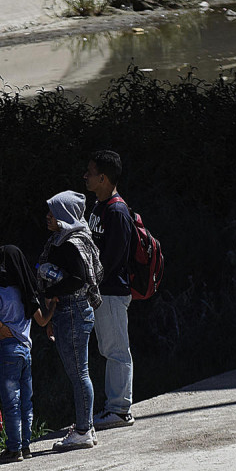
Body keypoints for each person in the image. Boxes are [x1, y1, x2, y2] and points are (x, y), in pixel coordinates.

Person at [37, 191, 104, 451]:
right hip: (73, 310)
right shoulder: (67, 239)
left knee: (79, 373)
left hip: (74, 311)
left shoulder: (72, 243)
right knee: (79, 372)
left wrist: (52, 291)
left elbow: (78, 279)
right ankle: (85, 424)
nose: (47, 217)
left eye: (52, 213)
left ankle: (83, 430)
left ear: (64, 215)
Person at [85, 150, 137, 429]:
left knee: (117, 350)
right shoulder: (98, 207)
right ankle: (113, 407)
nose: (86, 176)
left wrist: (92, 279)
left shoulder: (116, 211)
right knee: (109, 349)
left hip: (113, 292)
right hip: (102, 292)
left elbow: (113, 258)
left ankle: (119, 409)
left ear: (103, 177)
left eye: (90, 172)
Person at [0, 245, 41, 463]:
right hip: (26, 350)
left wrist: (0, 327)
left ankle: (14, 448)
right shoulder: (25, 291)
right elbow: (42, 319)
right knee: (26, 401)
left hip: (7, 349)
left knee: (11, 402)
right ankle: (26, 445)